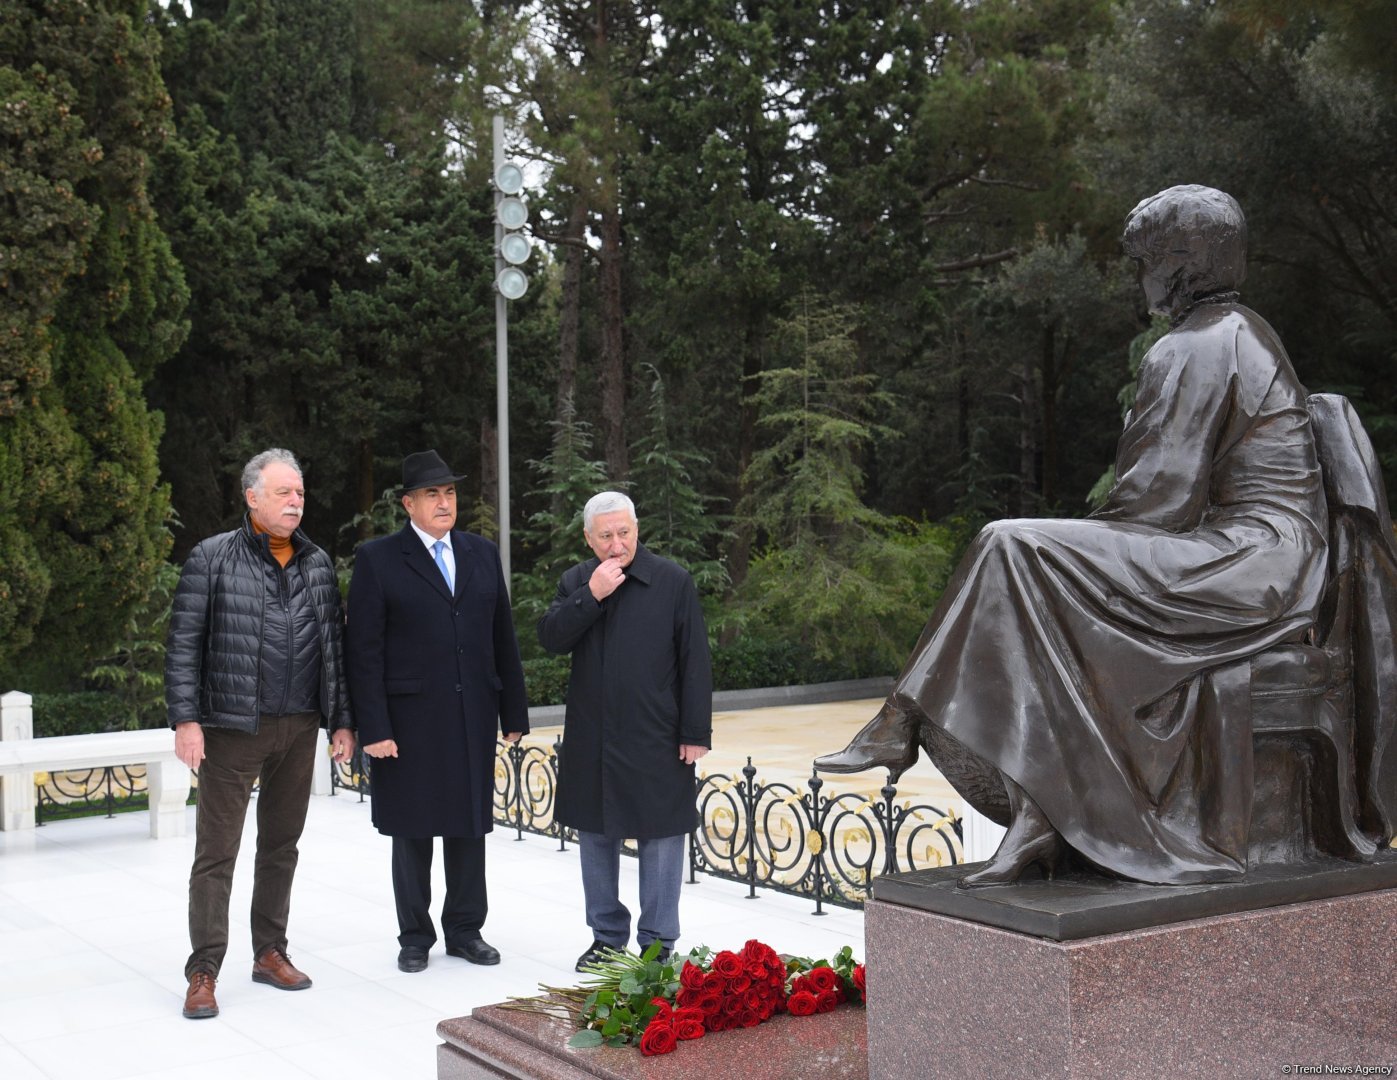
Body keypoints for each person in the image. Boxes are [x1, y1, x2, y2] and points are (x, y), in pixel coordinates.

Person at [816, 185, 1333, 887]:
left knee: (1013, 545)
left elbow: (1156, 501)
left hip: (1252, 559)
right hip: (1261, 557)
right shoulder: (1237, 331)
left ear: (1181, 262)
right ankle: (1035, 812)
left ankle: (904, 717)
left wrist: (1076, 554)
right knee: (1025, 560)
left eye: (1145, 260)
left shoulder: (1202, 343)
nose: (1138, 278)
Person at [167, 448, 356, 1020]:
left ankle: (269, 951)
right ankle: (203, 969)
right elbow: (183, 643)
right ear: (252, 497)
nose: (296, 502)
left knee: (281, 846)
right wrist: (185, 719)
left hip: (298, 728)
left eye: (300, 493)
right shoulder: (212, 557)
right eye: (283, 493)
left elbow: (334, 648)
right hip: (231, 728)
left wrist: (341, 719)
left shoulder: (317, 563)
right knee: (216, 853)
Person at [346, 450, 528, 973]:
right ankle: (414, 936)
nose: (444, 502)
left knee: (469, 826)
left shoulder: (480, 552)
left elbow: (502, 635)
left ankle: (466, 930)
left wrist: (513, 711)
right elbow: (363, 651)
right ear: (409, 504)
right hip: (408, 723)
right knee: (413, 829)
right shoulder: (379, 558)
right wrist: (373, 727)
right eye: (432, 494)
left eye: (449, 492)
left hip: (472, 714)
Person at [537, 491, 712, 970]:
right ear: (588, 539)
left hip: (658, 734)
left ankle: (658, 944)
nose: (617, 545)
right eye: (606, 536)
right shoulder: (576, 580)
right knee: (595, 835)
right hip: (593, 736)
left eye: (624, 533)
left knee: (662, 836)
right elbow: (551, 637)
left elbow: (695, 660)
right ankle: (606, 939)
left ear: (637, 529)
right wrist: (591, 594)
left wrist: (695, 732)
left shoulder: (672, 581)